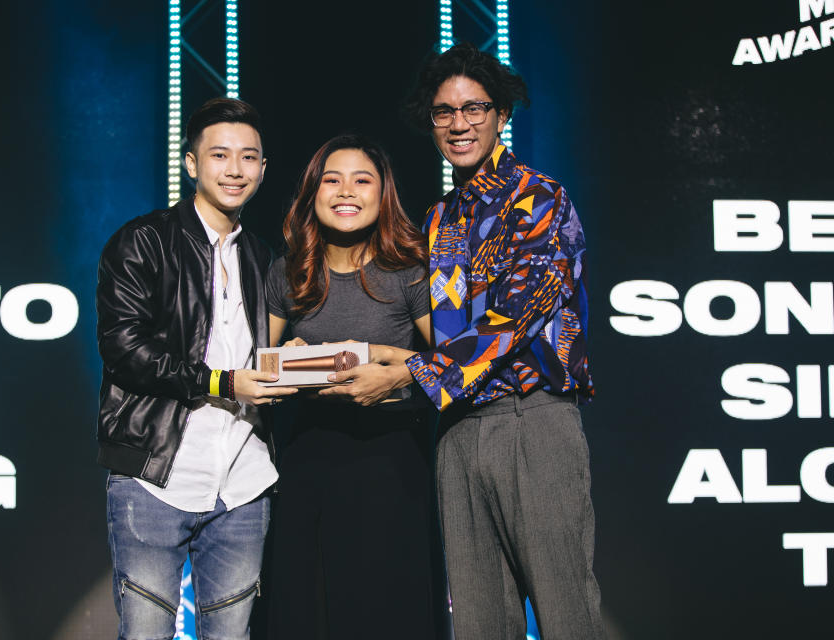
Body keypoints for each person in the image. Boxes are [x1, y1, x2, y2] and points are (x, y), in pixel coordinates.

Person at [324, 43, 607, 639]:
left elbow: (513, 318)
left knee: (564, 612)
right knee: (478, 621)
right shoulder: (438, 219)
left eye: (474, 108)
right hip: (456, 431)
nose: (459, 124)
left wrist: (406, 374)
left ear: (502, 115)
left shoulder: (540, 198)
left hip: (532, 421)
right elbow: (435, 332)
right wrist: (374, 354)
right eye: (443, 112)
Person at [95, 97, 296, 640]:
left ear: (262, 169)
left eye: (249, 157)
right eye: (220, 155)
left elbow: (280, 352)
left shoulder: (264, 257)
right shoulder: (143, 241)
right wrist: (221, 382)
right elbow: (122, 347)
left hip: (243, 481)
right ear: (191, 164)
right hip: (154, 475)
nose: (235, 170)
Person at [264, 134, 439, 639]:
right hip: (306, 459)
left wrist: (387, 362)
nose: (346, 192)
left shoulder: (408, 272)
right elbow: (260, 370)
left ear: (382, 194)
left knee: (384, 609)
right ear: (312, 193)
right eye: (331, 180)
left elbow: (447, 365)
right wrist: (288, 364)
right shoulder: (287, 272)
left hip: (391, 459)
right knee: (307, 608)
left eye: (362, 180)